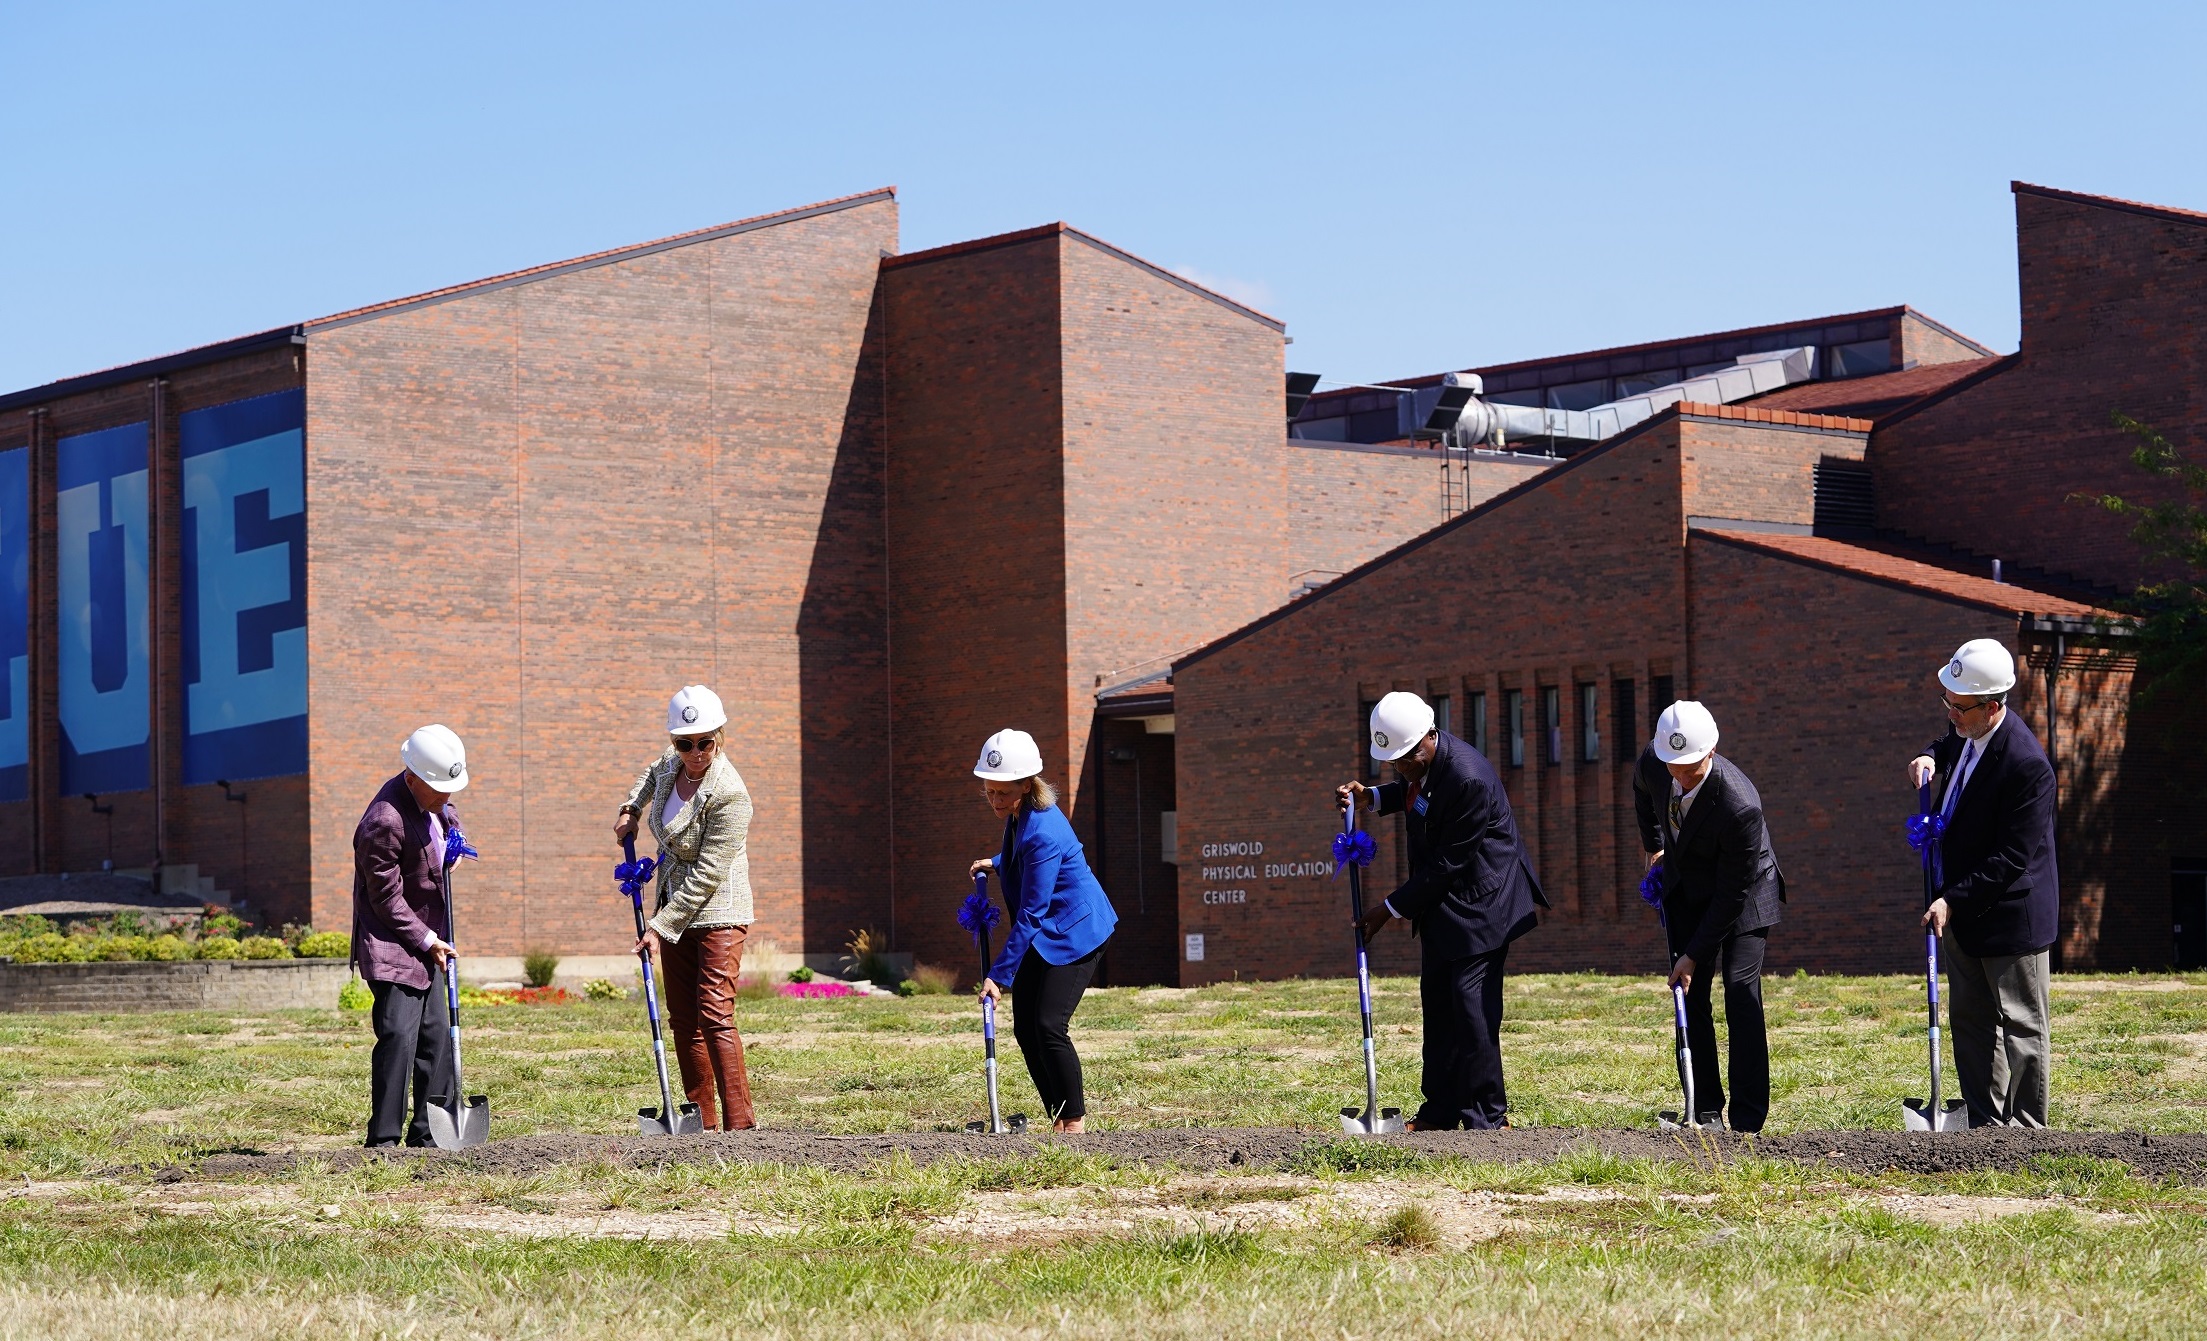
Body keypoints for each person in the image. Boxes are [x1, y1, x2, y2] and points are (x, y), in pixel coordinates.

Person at [1336, 691, 1547, 1130]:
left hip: (1484, 905)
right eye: (1392, 761)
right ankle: (1441, 1113)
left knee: (1472, 1008)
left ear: (1429, 738)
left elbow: (1448, 864)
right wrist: (1373, 797)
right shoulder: (1425, 766)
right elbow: (1417, 793)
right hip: (1445, 904)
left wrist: (1389, 908)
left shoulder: (1468, 777)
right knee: (1437, 1001)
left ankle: (1489, 1118)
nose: (1401, 767)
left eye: (1406, 759)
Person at [1906, 638, 2058, 1127]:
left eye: (1959, 707)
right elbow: (1947, 742)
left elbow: (2012, 857)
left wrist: (1952, 898)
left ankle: (2028, 1133)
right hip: (1958, 911)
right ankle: (1983, 1126)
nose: (1950, 714)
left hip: (2010, 916)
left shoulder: (2027, 766)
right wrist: (1928, 756)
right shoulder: (1969, 733)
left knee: (2021, 1025)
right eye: (1946, 703)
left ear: (1993, 706)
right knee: (1970, 1023)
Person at [1632, 700, 1785, 1132]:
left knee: (1739, 991)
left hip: (1744, 897)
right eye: (1672, 766)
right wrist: (1655, 845)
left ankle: (1748, 1118)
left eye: (1690, 768)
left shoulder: (1740, 804)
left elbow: (1731, 896)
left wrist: (1694, 954)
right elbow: (1642, 788)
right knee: (1690, 994)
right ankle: (1704, 1108)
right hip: (1687, 886)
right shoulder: (1656, 760)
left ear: (1712, 751)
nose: (1679, 775)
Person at [614, 685, 758, 1131]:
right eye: (684, 743)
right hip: (673, 907)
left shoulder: (730, 794)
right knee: (683, 1018)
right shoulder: (671, 762)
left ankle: (740, 1127)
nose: (694, 753)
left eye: (704, 743)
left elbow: (709, 874)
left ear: (720, 736)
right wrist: (631, 809)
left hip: (718, 910)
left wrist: (659, 926)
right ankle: (700, 1124)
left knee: (714, 1012)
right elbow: (648, 774)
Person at [967, 728, 1118, 1132]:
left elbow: (1032, 912)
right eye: (989, 791)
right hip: (1046, 929)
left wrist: (998, 976)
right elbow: (1022, 856)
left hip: (1075, 932)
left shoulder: (1044, 831)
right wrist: (997, 862)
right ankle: (1058, 1115)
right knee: (1025, 1027)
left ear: (1026, 784)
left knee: (1049, 1025)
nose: (994, 800)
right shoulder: (1022, 815)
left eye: (1002, 792)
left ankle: (1074, 1123)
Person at [351, 724, 468, 1148]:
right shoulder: (384, 821)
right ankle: (383, 1141)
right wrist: (426, 939)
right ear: (412, 776)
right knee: (400, 1035)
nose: (446, 797)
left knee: (435, 1036)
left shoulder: (434, 798)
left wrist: (455, 844)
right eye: (439, 789)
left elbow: (448, 818)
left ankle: (430, 1135)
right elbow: (385, 899)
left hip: (430, 935)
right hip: (393, 941)